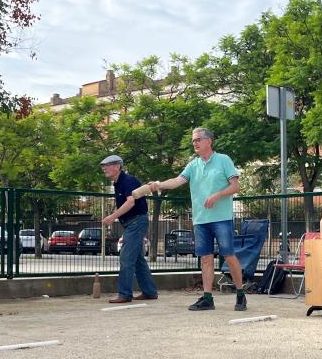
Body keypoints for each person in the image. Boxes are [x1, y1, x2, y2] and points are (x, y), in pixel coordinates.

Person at [144, 128, 247, 312]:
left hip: (222, 218)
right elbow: (177, 181)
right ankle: (208, 298)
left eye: (198, 139)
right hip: (200, 220)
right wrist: (158, 185)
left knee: (229, 256)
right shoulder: (193, 165)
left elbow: (236, 186)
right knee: (206, 258)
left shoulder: (223, 160)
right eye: (193, 141)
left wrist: (217, 195)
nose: (195, 143)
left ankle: (240, 294)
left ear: (209, 141)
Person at [99, 154, 158, 304]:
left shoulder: (128, 181)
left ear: (117, 166)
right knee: (137, 259)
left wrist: (112, 217)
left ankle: (124, 294)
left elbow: (130, 202)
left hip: (136, 222)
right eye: (103, 166)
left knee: (126, 257)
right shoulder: (118, 183)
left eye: (108, 165)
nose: (104, 168)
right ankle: (150, 292)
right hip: (133, 223)